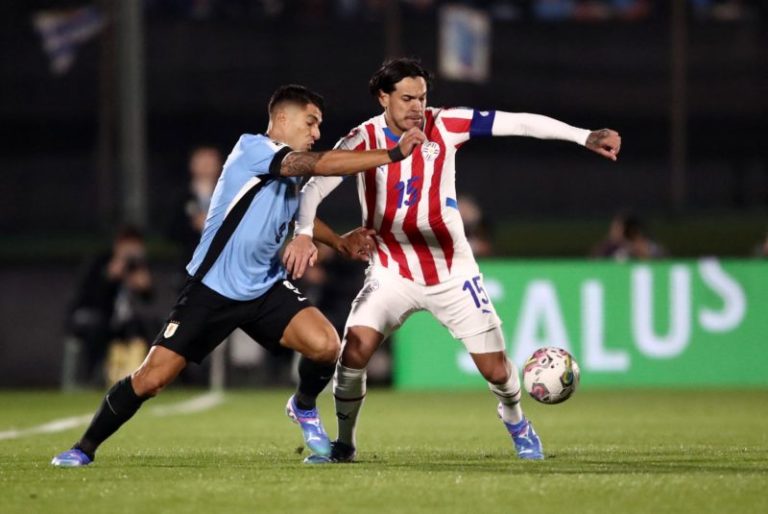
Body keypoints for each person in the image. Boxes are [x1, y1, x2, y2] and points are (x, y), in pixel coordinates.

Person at [51, 84, 427, 467]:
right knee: (151, 379)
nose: (316, 132)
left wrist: (339, 243)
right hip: (212, 289)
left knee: (326, 345)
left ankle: (303, 405)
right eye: (310, 122)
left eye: (318, 126)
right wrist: (392, 154)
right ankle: (83, 447)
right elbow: (315, 164)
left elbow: (299, 210)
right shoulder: (253, 150)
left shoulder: (287, 168)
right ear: (282, 118)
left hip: (265, 287)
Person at [284, 58, 621, 462]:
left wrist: (584, 136)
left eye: (422, 97)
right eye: (406, 98)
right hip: (391, 272)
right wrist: (305, 235)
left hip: (452, 273)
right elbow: (312, 190)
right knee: (352, 351)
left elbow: (519, 123)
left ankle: (516, 421)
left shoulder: (447, 124)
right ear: (383, 97)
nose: (416, 107)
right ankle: (345, 444)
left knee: (497, 371)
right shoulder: (360, 139)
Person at [65, 226, 154, 387]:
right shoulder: (101, 261)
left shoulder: (138, 266)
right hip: (92, 315)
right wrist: (110, 277)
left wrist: (144, 286)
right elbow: (90, 296)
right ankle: (91, 377)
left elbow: (148, 298)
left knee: (148, 327)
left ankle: (149, 376)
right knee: (98, 328)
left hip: (120, 320)